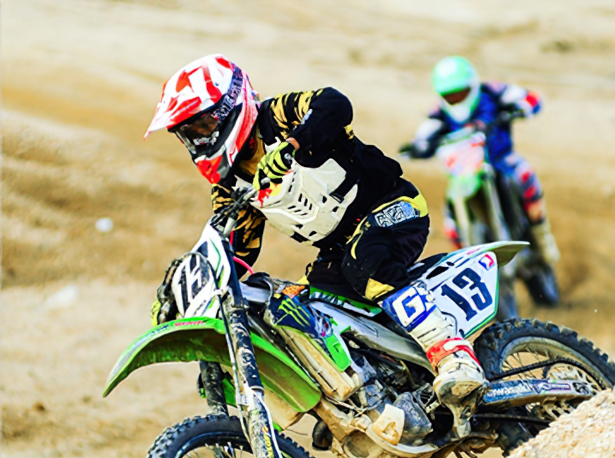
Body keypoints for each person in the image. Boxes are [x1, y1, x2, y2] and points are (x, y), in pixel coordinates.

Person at [144, 54, 488, 438]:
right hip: (339, 249)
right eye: (188, 133)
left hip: (392, 207)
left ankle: (453, 354)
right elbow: (237, 253)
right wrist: (187, 294)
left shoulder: (275, 118)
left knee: (367, 263)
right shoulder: (229, 186)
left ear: (230, 106)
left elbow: (334, 103)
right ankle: (362, 394)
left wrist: (292, 145)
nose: (198, 139)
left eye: (203, 125)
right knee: (300, 308)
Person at [403, 56, 560, 266]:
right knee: (450, 223)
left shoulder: (493, 91)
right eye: (450, 95)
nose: (456, 99)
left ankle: (543, 236)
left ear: (472, 85)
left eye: (461, 92)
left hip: (501, 160)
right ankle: (462, 264)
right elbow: (424, 136)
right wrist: (417, 147)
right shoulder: (439, 113)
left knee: (525, 176)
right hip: (464, 174)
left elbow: (531, 98)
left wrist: (522, 107)